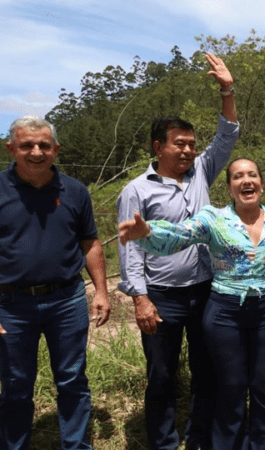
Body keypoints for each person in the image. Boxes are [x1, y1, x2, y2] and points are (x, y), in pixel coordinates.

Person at [119, 158, 265, 450]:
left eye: (252, 174)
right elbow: (181, 235)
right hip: (224, 314)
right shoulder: (212, 219)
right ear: (229, 188)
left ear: (262, 184)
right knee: (231, 388)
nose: (246, 180)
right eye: (238, 176)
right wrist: (149, 232)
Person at [116, 53, 238, 450]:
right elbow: (131, 246)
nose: (187, 151)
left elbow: (229, 134)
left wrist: (227, 90)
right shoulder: (137, 190)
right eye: (178, 144)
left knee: (207, 371)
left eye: (191, 145)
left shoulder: (202, 171)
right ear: (159, 146)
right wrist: (140, 298)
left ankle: (200, 438)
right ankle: (165, 443)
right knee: (162, 375)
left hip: (205, 292)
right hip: (162, 296)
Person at [0, 115, 111, 450]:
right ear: (11, 148)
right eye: (27, 145)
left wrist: (102, 291)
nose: (36, 152)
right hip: (10, 304)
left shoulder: (75, 191)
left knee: (72, 379)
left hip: (67, 299)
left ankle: (76, 445)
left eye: (44, 145)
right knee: (16, 384)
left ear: (56, 149)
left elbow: (90, 243)